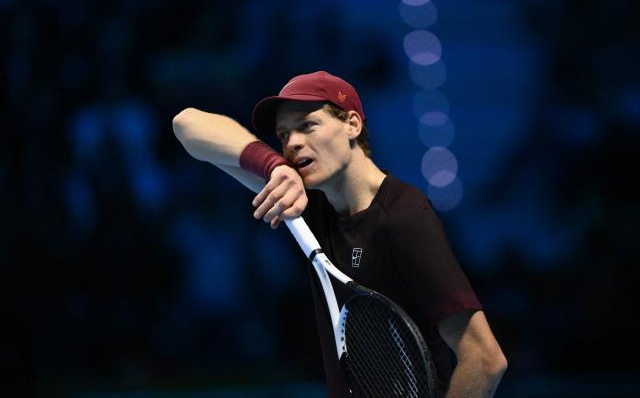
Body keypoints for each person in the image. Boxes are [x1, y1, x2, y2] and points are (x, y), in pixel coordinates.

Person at [172, 70, 507, 397]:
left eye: (307, 126)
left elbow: (484, 359)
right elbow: (187, 125)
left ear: (352, 124)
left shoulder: (403, 217)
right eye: (284, 135)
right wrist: (272, 166)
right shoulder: (306, 201)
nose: (293, 143)